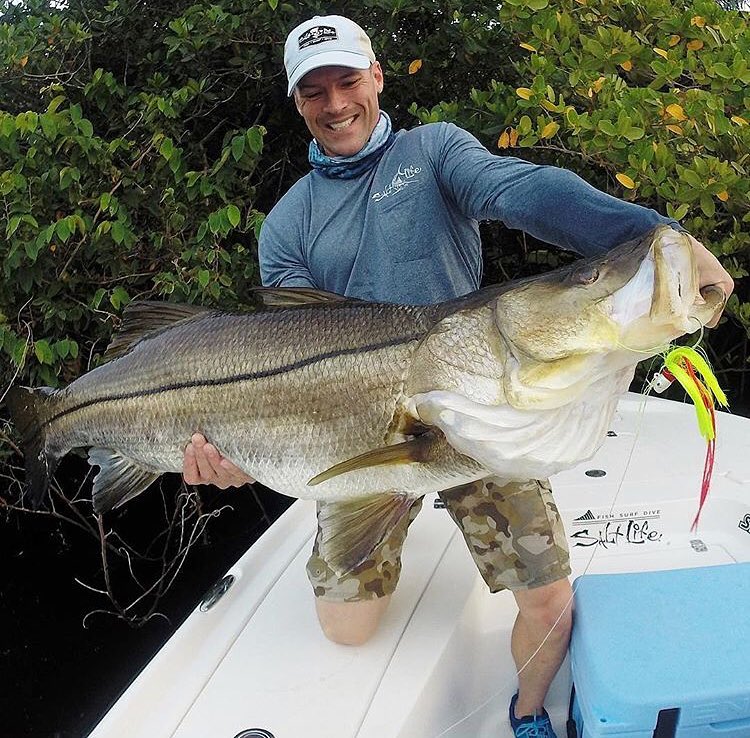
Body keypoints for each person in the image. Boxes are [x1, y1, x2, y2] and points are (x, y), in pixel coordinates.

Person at [183, 14, 734, 737]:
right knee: (347, 631)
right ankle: (397, 517)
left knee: (549, 605)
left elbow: (526, 191)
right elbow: (288, 347)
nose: (335, 103)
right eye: (313, 91)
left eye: (347, 80)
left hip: (485, 408)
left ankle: (529, 713)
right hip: (363, 425)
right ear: (297, 103)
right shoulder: (287, 225)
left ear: (377, 75)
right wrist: (243, 453)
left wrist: (660, 237)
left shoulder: (433, 151)